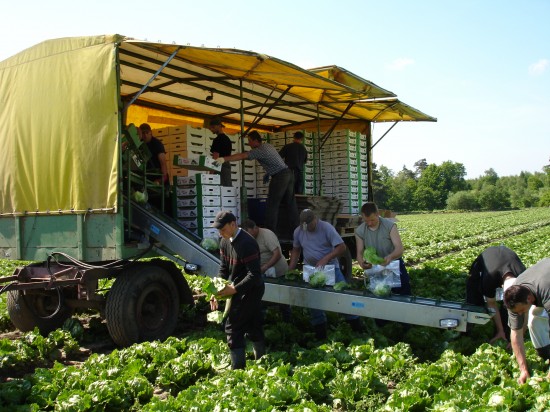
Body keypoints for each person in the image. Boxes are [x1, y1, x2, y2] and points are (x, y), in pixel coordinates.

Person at [288, 209, 361, 338]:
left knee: (343, 298)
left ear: (315, 219)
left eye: (309, 225)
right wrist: (291, 269)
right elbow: (296, 250)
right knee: (314, 301)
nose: (307, 228)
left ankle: (357, 329)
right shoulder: (298, 231)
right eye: (304, 225)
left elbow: (341, 247)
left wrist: (326, 258)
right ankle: (320, 334)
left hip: (330, 268)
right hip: (311, 270)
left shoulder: (326, 228)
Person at [213, 130, 299, 238]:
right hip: (288, 173)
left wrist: (223, 159)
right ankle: (297, 230)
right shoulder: (268, 145)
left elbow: (242, 155)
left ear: (255, 140)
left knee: (272, 205)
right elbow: (275, 160)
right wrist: (268, 173)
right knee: (291, 204)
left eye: (249, 141)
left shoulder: (259, 150)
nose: (248, 144)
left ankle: (269, 233)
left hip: (280, 176)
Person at [209, 211, 265, 369]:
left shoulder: (247, 243)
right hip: (238, 288)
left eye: (223, 229)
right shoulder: (224, 241)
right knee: (253, 322)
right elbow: (223, 269)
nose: (220, 232)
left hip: (252, 289)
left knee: (233, 326)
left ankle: (237, 370)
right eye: (218, 230)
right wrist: (216, 292)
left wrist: (233, 289)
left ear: (233, 224)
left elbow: (254, 274)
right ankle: (261, 361)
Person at [466, 246, 526, 344]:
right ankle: (469, 333)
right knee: (474, 303)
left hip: (505, 258)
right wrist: (500, 331)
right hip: (485, 264)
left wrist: (520, 336)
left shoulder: (523, 276)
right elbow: (492, 304)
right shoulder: (489, 279)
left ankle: (506, 334)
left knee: (511, 312)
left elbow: (527, 309)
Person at [503, 258, 550, 384]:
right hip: (541, 279)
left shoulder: (547, 293)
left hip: (546, 282)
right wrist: (523, 369)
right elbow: (516, 334)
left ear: (529, 299)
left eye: (522, 310)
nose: (519, 314)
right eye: (517, 311)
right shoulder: (514, 296)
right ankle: (546, 354)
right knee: (534, 321)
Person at [355, 202, 411, 296]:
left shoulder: (390, 226)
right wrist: (362, 263)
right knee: (379, 293)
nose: (369, 223)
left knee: (402, 295)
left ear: (378, 215)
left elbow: (399, 248)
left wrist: (390, 257)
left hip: (393, 264)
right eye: (366, 220)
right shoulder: (359, 231)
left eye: (372, 220)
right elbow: (359, 252)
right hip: (375, 267)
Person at [208, 117, 233, 187]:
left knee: (218, 189)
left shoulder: (217, 140)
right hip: (227, 165)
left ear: (219, 126)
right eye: (210, 127)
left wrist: (210, 174)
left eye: (213, 127)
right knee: (227, 187)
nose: (211, 129)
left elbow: (215, 157)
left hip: (220, 166)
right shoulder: (227, 139)